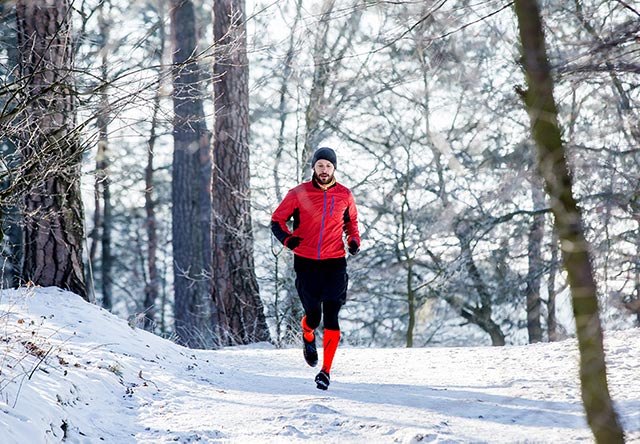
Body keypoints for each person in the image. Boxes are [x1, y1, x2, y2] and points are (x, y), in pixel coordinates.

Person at [271, 147, 360, 390]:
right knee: (314, 315)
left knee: (331, 314)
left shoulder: (344, 195)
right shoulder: (298, 193)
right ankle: (307, 334)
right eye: (320, 165)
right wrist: (288, 240)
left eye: (328, 166)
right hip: (306, 261)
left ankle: (326, 372)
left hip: (335, 262)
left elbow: (351, 223)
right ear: (314, 167)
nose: (324, 170)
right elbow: (277, 220)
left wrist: (354, 241)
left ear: (334, 168)